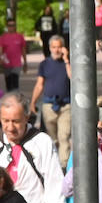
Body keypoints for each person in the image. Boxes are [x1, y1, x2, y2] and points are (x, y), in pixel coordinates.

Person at [31, 34, 73, 168]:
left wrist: (66, 59)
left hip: (66, 106)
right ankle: (52, 165)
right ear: (49, 48)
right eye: (54, 47)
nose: (57, 50)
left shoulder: (68, 62)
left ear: (64, 48)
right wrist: (33, 101)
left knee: (64, 137)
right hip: (49, 106)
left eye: (59, 47)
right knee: (51, 139)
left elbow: (72, 77)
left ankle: (63, 167)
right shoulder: (44, 64)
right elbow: (39, 84)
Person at [0, 19, 28, 92]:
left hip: (16, 64)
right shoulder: (3, 37)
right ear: (7, 26)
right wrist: (0, 59)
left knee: (15, 83)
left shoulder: (20, 37)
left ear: (15, 26)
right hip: (7, 64)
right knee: (8, 83)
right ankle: (9, 99)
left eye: (13, 25)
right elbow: (0, 50)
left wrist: (25, 62)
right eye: (9, 25)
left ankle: (15, 99)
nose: (11, 27)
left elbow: (23, 50)